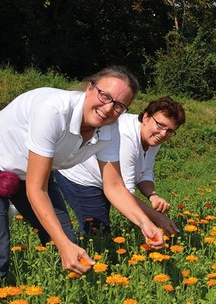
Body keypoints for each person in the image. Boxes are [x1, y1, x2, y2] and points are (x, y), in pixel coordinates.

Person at [0, 66, 178, 283]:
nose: (109, 108)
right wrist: (63, 246)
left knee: (67, 240)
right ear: (90, 88)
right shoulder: (54, 111)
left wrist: (145, 223)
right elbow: (37, 189)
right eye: (105, 95)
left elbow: (114, 187)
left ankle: (59, 297)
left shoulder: (110, 130)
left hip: (30, 173)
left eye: (119, 105)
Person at [56, 97, 185, 234]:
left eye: (170, 131)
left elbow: (144, 172)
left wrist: (152, 195)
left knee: (100, 227)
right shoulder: (126, 138)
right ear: (146, 117)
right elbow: (125, 192)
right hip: (82, 177)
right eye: (160, 125)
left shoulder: (152, 136)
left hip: (109, 181)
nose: (163, 134)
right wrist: (157, 219)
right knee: (97, 230)